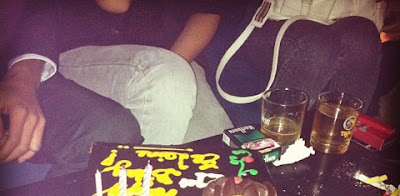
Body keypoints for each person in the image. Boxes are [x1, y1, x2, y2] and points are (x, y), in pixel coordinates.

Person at [1, 0, 233, 180]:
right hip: (82, 47)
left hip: (168, 54)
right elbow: (116, 5)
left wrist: (172, 70)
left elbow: (208, 11)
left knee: (220, 163)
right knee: (165, 78)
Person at [211, 0, 384, 127]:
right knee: (316, 44)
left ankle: (341, 142)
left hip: (350, 15)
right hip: (271, 18)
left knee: (363, 37)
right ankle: (276, 144)